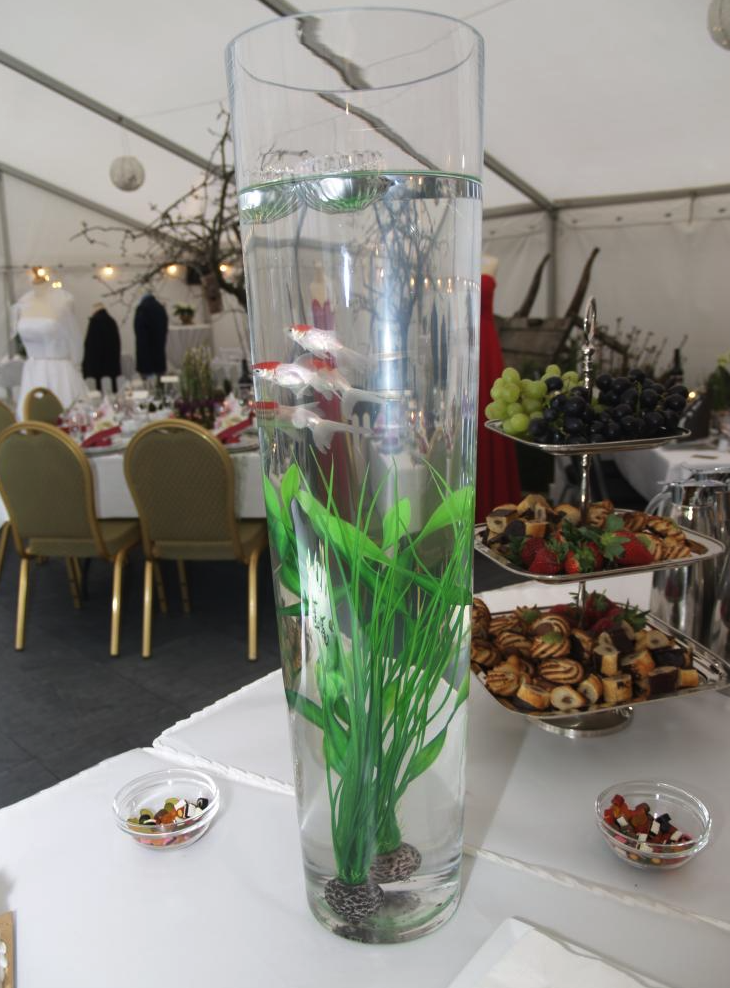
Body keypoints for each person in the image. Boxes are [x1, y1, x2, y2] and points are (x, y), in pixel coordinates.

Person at [475, 254, 521, 521]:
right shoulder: (452, 260)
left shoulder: (491, 261)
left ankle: (493, 503)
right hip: (461, 343)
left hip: (486, 347)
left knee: (489, 413)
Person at [12, 270, 87, 417]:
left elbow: (74, 338)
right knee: (31, 417)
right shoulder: (23, 303)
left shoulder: (64, 300)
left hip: (59, 371)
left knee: (67, 415)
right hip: (32, 371)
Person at [82, 303, 121, 390]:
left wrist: (87, 371)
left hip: (98, 372)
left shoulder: (95, 322)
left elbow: (90, 350)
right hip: (112, 369)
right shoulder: (111, 321)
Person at [134, 292, 168, 379]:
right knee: (160, 383)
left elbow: (139, 332)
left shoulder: (141, 309)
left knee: (147, 384)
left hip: (146, 356)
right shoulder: (161, 308)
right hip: (159, 354)